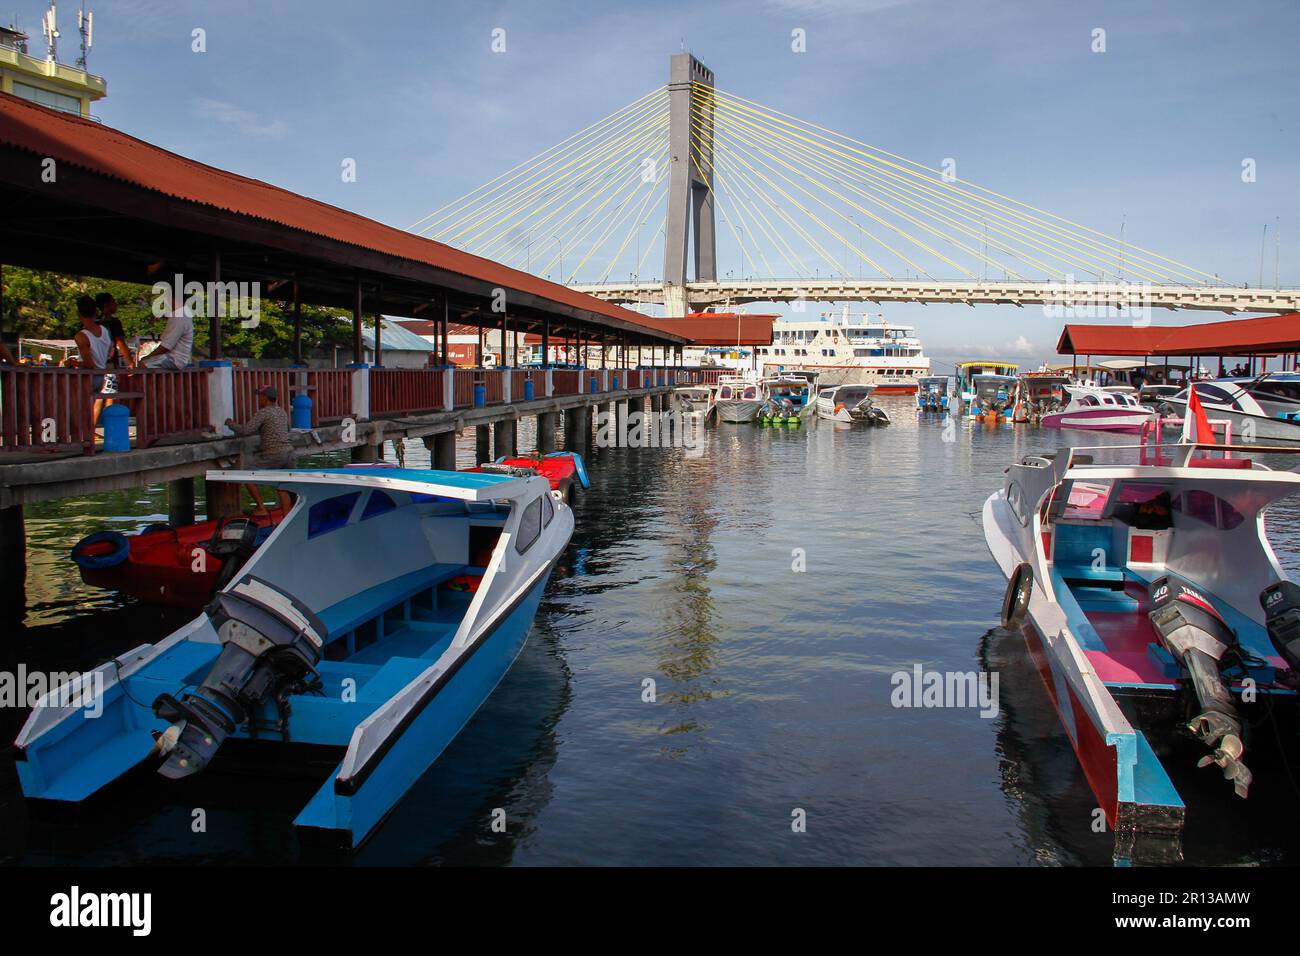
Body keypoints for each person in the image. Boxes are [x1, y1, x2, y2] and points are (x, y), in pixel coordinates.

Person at [225, 386, 295, 515]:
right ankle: (287, 516)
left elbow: (246, 430)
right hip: (289, 453)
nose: (259, 399)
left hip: (274, 453)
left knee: (247, 474)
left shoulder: (263, 412)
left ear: (265, 398)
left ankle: (261, 507)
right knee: (282, 485)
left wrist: (230, 424)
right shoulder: (282, 411)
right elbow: (287, 430)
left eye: (260, 396)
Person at [73, 295, 116, 425]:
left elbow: (88, 364)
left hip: (88, 376)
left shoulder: (81, 336)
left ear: (79, 314)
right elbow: (111, 351)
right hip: (102, 373)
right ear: (95, 312)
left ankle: (81, 431)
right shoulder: (105, 331)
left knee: (80, 405)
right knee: (96, 402)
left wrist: (73, 362)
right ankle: (90, 431)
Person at [143, 288, 193, 369]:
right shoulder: (183, 314)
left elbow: (166, 346)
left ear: (172, 299)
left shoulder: (179, 316)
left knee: (142, 364)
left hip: (174, 360)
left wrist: (147, 357)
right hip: (174, 359)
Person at [94, 293, 135, 369]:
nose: (116, 304)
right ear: (106, 305)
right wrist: (130, 362)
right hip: (109, 364)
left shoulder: (93, 322)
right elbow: (120, 342)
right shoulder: (114, 322)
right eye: (113, 301)